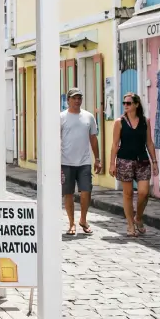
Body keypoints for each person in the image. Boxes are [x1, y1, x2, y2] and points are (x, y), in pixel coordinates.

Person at [109, 93, 158, 237]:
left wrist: (154, 161)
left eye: (129, 103)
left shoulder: (145, 121)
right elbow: (115, 144)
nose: (125, 106)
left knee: (144, 193)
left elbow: (149, 142)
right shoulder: (120, 122)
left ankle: (138, 217)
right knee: (128, 194)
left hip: (142, 160)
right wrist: (112, 163)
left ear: (136, 105)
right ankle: (130, 224)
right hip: (125, 160)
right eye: (124, 103)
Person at [60, 88, 102, 236]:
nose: (77, 101)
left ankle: (83, 219)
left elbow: (93, 138)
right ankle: (71, 223)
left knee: (86, 191)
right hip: (66, 162)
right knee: (68, 193)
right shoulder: (61, 117)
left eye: (79, 98)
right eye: (74, 98)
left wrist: (97, 159)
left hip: (84, 162)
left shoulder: (89, 117)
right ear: (68, 100)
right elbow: (55, 139)